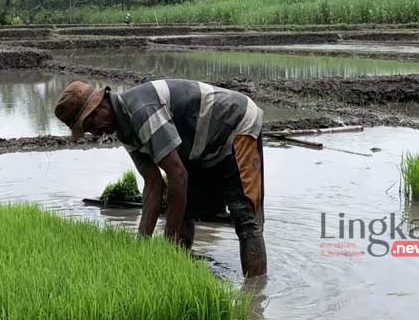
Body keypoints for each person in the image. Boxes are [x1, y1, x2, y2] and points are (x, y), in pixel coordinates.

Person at [54, 79, 267, 277]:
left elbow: (177, 175)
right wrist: (142, 246)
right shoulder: (125, 130)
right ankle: (178, 273)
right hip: (197, 146)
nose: (96, 134)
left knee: (246, 221)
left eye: (90, 126)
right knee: (184, 212)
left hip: (236, 125)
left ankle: (255, 303)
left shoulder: (141, 111)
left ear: (100, 106)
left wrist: (169, 237)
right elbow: (153, 183)